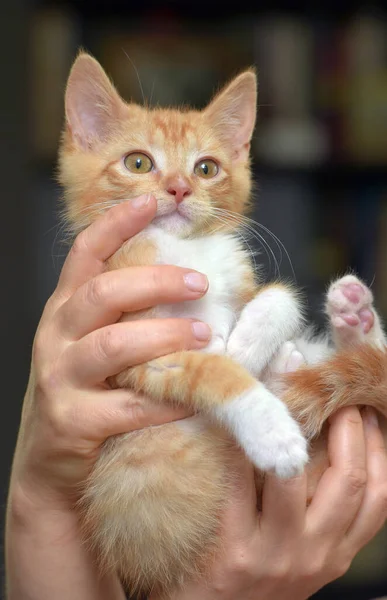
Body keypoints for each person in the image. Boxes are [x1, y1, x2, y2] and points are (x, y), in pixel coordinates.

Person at [5, 194, 387, 600]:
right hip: (185, 490)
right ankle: (358, 368)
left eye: (204, 169)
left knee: (294, 377)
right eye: (140, 163)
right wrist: (40, 495)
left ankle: (358, 369)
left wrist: (38, 498)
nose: (178, 189)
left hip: (210, 467)